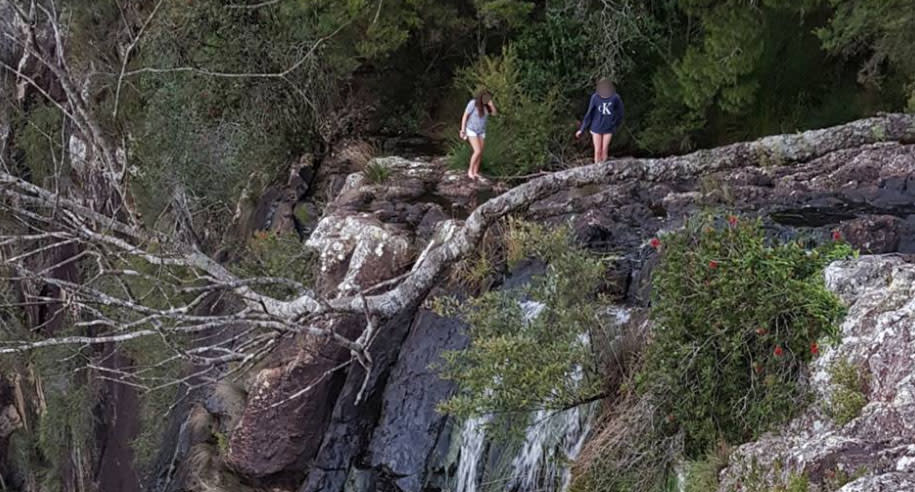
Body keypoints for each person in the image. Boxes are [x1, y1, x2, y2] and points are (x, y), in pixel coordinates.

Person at [575, 79, 624, 163]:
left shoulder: (615, 97)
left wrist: (615, 123)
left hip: (608, 127)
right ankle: (597, 168)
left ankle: (603, 168)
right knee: (597, 150)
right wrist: (582, 129)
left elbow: (620, 112)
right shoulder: (595, 97)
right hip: (596, 127)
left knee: (604, 149)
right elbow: (589, 114)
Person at [460, 90, 496, 180]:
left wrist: (491, 105)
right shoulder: (473, 103)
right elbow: (465, 116)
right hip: (471, 129)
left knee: (480, 152)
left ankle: (476, 171)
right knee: (477, 151)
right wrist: (463, 129)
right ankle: (470, 170)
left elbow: (494, 114)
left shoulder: (487, 106)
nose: (487, 99)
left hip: (481, 131)